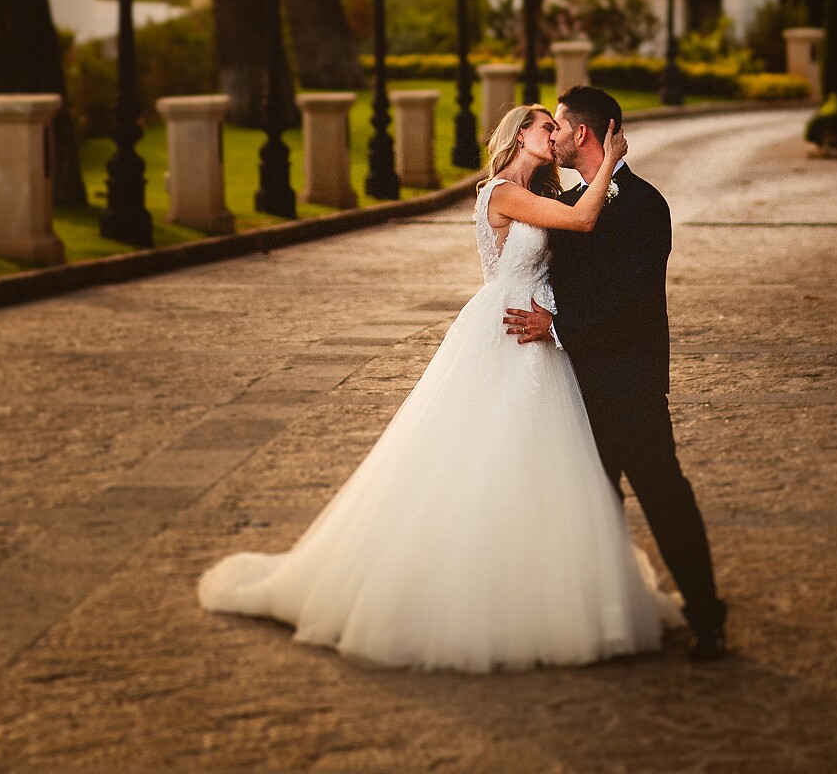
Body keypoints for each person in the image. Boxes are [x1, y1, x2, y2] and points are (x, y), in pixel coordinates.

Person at [198, 106, 679, 672]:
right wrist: (612, 163)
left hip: (539, 335)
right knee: (478, 457)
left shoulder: (545, 192)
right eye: (544, 126)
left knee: (541, 465)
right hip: (500, 328)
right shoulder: (501, 193)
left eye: (558, 125)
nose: (554, 135)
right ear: (519, 134)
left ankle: (535, 589)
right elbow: (582, 223)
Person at [505, 84, 728, 661]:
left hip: (630, 381)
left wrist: (553, 325)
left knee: (662, 492)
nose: (551, 134)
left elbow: (631, 299)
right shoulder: (568, 199)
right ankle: (604, 620)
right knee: (591, 501)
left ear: (581, 133)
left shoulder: (645, 204)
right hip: (573, 380)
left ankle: (708, 614)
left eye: (557, 126)